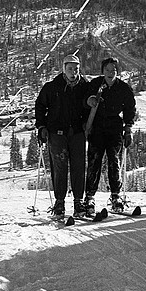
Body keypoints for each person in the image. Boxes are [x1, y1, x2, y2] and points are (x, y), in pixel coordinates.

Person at [34, 52, 90, 219]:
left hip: (78, 133)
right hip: (57, 133)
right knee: (59, 167)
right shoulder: (52, 87)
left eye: (76, 69)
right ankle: (59, 202)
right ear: (64, 69)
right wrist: (41, 126)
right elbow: (40, 106)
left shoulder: (85, 86)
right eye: (70, 68)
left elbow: (92, 106)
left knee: (78, 167)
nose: (73, 72)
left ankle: (78, 201)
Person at [83, 56, 136, 214]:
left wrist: (128, 129)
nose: (110, 73)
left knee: (114, 162)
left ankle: (115, 195)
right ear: (102, 71)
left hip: (114, 128)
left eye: (113, 70)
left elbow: (129, 109)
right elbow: (84, 101)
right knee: (94, 162)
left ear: (117, 71)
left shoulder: (123, 88)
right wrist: (89, 101)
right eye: (107, 70)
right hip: (97, 127)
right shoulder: (95, 84)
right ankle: (89, 197)